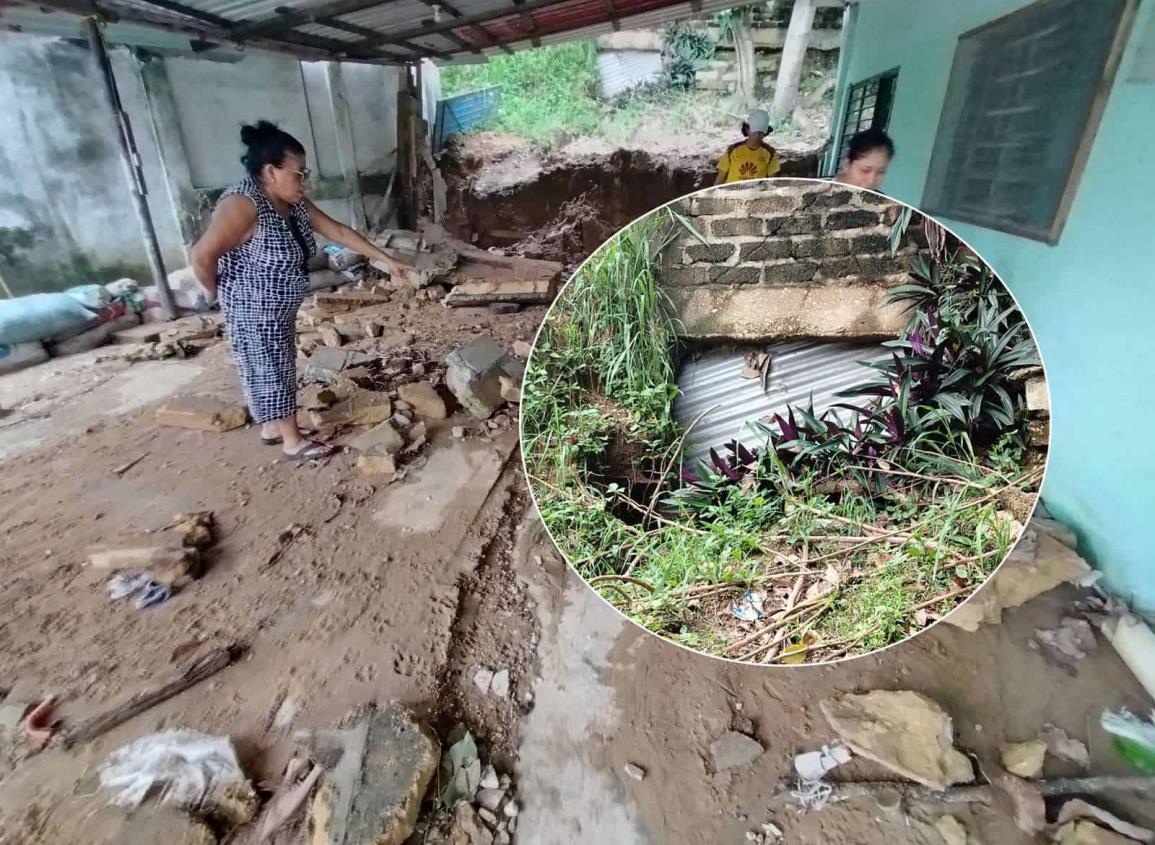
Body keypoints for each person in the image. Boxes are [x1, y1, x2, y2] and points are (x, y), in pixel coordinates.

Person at [190, 121, 403, 462]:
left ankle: (272, 427)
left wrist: (387, 260)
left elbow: (336, 231)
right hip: (254, 306)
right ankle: (293, 441)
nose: (305, 181)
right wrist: (214, 292)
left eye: (306, 173)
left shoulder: (292, 202)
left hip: (278, 306)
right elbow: (202, 255)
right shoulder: (243, 204)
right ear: (271, 171)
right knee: (271, 367)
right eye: (298, 173)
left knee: (268, 364)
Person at [715, 108, 782, 185]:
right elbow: (720, 177)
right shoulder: (732, 150)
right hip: (731, 193)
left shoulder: (770, 153)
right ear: (747, 130)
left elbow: (772, 182)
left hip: (754, 194)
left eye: (760, 133)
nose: (757, 136)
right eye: (755, 132)